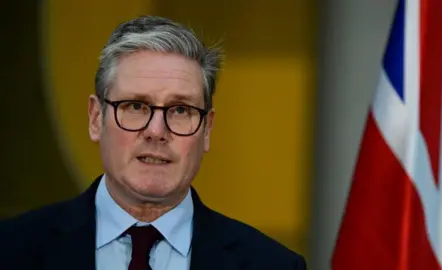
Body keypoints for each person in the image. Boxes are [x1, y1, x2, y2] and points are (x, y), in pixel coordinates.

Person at [0, 15, 307, 270]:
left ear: (207, 129)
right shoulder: (11, 251)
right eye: (136, 106)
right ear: (96, 118)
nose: (156, 130)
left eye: (181, 110)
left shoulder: (272, 265)